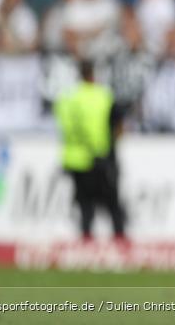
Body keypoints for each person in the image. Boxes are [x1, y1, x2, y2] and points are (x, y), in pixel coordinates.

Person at [53, 60, 126, 240]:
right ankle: (120, 243)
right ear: (93, 75)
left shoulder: (66, 98)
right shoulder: (102, 96)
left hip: (74, 158)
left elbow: (61, 125)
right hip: (98, 158)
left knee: (85, 206)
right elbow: (118, 125)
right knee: (112, 205)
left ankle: (86, 243)